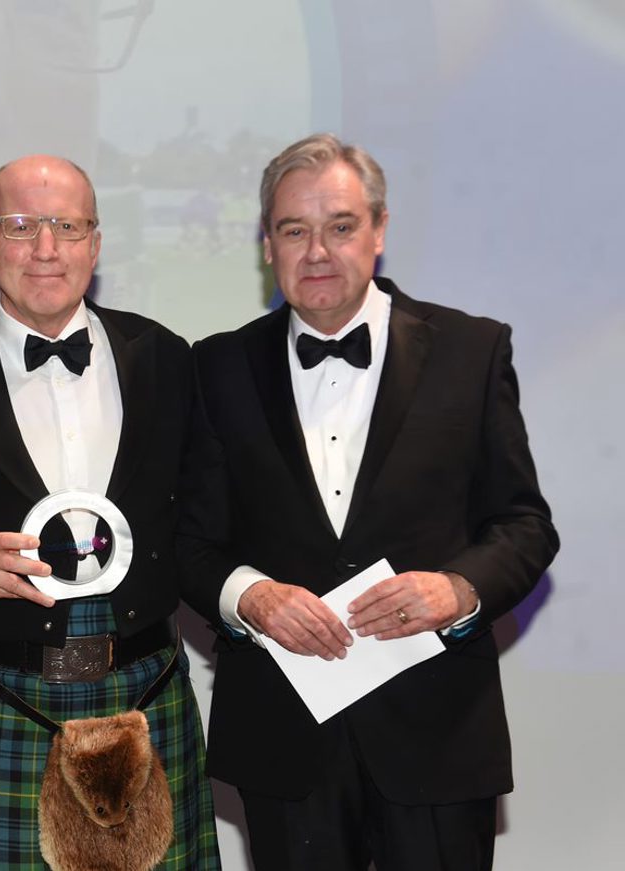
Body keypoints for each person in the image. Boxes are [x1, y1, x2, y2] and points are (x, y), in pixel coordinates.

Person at [177, 133, 559, 870]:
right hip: (285, 740)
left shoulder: (471, 351)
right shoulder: (215, 365)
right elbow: (190, 543)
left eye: (341, 225)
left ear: (379, 231)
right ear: (267, 245)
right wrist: (249, 596)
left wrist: (457, 588)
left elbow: (525, 524)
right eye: (294, 229)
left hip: (438, 734)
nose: (317, 250)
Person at [0, 155, 221, 869]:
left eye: (67, 225)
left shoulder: (164, 360)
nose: (46, 248)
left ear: (96, 242)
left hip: (144, 692)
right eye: (21, 225)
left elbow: (205, 520)